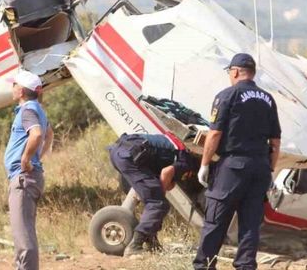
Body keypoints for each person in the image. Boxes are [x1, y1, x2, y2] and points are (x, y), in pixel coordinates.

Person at [193, 53, 281, 270]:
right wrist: (270, 169)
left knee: (216, 218)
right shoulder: (268, 99)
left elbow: (214, 134)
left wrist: (204, 164)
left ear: (234, 71)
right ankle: (245, 266)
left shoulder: (227, 95)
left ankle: (204, 264)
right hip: (260, 167)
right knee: (250, 223)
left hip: (233, 166)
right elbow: (276, 141)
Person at [108, 133, 198, 256]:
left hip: (119, 152)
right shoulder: (187, 161)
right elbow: (166, 174)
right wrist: (158, 200)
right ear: (191, 172)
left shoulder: (176, 148)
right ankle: (135, 246)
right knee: (158, 204)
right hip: (131, 155)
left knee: (156, 203)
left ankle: (152, 243)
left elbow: (168, 182)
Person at [4, 70, 54, 270]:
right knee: (25, 232)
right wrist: (37, 156)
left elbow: (37, 134)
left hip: (24, 177)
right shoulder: (37, 109)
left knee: (23, 237)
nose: (12, 88)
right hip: (29, 176)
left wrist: (26, 159)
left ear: (22, 90)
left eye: (14, 84)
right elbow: (49, 134)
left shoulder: (27, 110)